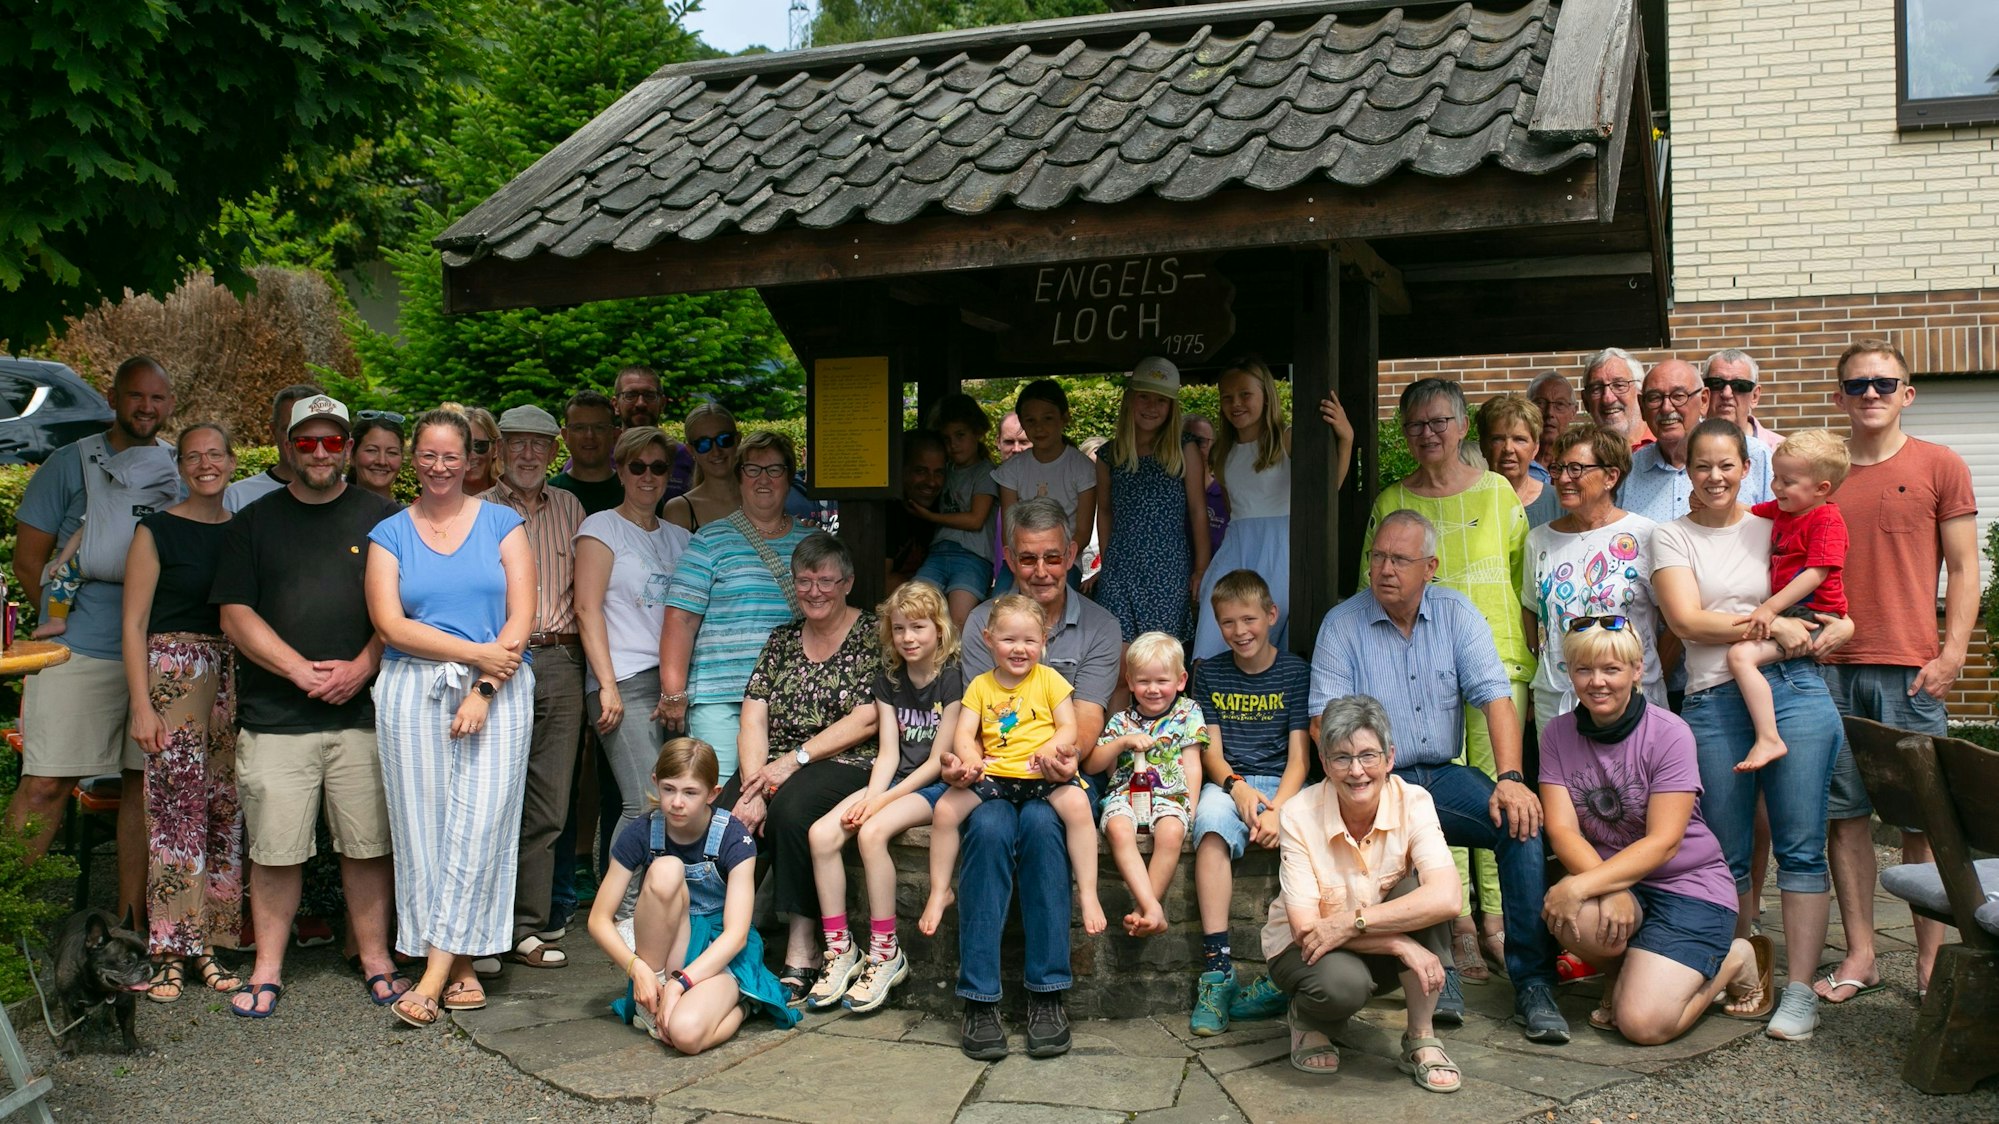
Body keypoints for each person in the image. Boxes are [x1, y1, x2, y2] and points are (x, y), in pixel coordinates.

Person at [1310, 509, 1568, 1042]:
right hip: (1376, 782)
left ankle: (1533, 982)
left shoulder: (1457, 614)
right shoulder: (1343, 623)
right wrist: (1364, 780)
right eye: (1378, 557)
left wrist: (1513, 777)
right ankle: (1439, 973)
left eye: (1399, 560)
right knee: (1406, 841)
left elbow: (1495, 696)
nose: (1384, 569)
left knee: (1520, 824)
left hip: (1442, 776)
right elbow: (1323, 721)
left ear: (1430, 566)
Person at [1651, 417, 1852, 1043]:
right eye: (1702, 465)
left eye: (1726, 465)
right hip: (1714, 700)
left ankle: (1798, 992)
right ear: (1687, 470)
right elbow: (1687, 622)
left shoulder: (1778, 524)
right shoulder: (1670, 535)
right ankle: (1740, 969)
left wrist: (1824, 630)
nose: (1714, 476)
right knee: (1725, 852)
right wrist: (1776, 627)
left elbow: (1831, 600)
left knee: (1798, 844)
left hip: (1792, 691)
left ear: (1746, 468)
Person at [211, 392, 403, 1017]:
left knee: (368, 845)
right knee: (274, 850)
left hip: (362, 713)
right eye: (306, 442)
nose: (320, 452)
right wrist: (298, 671)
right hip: (276, 718)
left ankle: (376, 958)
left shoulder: (385, 518)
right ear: (286, 448)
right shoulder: (253, 523)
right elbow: (235, 615)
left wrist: (362, 667)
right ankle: (267, 970)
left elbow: (405, 608)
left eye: (331, 441)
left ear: (348, 447)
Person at [1817, 339, 1978, 1005]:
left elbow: (1965, 568)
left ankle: (1929, 957)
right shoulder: (1822, 473)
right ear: (1839, 399)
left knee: (1922, 821)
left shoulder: (1940, 465)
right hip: (1828, 670)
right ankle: (1860, 953)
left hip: (1911, 669)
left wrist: (1952, 653)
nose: (1871, 395)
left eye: (1884, 384)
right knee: (1843, 815)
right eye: (1857, 386)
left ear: (1906, 393)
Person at [367, 408, 535, 1028]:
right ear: (415, 459)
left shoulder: (501, 522)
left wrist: (483, 685)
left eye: (452, 457)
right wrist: (472, 652)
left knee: (483, 825)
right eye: (429, 456)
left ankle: (432, 975)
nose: (440, 467)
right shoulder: (390, 533)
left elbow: (520, 615)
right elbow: (391, 625)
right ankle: (459, 965)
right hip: (412, 688)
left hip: (501, 686)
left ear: (472, 462)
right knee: (425, 830)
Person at [1364, 378, 1532, 987]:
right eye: (1415, 425)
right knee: (1435, 801)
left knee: (1497, 795)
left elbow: (1523, 579)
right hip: (1419, 666)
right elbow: (1371, 581)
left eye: (1440, 422)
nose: (1428, 434)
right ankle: (1458, 923)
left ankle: (1499, 921)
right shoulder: (1391, 500)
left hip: (1498, 662)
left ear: (1463, 427)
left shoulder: (1498, 493)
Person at [1537, 619, 1775, 1043]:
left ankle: (1735, 959)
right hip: (1617, 882)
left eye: (1611, 669)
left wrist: (1588, 885)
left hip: (1688, 886)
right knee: (1566, 910)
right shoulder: (1557, 734)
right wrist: (1609, 890)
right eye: (1583, 670)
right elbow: (1562, 830)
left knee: (1644, 1026)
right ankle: (1625, 972)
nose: (1597, 682)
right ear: (1568, 673)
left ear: (1635, 669)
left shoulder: (1669, 733)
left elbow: (1664, 842)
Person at [948, 496, 1122, 1060]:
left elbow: (1088, 721)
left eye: (1053, 557)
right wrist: (967, 763)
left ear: (1072, 553)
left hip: (1058, 773)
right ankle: (979, 998)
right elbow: (975, 714)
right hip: (995, 775)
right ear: (1008, 556)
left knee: (1046, 828)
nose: (1041, 571)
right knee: (992, 828)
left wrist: (1059, 755)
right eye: (1027, 559)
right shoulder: (982, 622)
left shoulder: (1099, 625)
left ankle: (1048, 992)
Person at [9, 356, 179, 924]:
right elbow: (30, 561)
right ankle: (8, 923)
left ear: (170, 404)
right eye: (135, 396)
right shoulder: (68, 464)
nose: (146, 408)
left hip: (156, 659)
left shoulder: (180, 471)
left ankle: (130, 927)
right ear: (113, 397)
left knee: (143, 795)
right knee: (45, 787)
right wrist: (62, 618)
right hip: (75, 652)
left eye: (157, 398)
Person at [1265, 694, 1463, 1091]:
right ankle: (1307, 1019)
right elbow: (1307, 929)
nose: (1357, 771)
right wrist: (1400, 945)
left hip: (1350, 933)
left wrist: (1357, 922)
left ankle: (1421, 1037)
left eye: (1368, 756)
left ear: (1390, 758)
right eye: (1341, 758)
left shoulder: (1415, 801)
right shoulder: (1298, 814)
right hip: (1306, 951)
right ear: (1324, 763)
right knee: (1344, 986)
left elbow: (1448, 897)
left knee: (1420, 890)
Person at [726, 532, 882, 1005]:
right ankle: (721, 934)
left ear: (848, 582)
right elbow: (754, 711)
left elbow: (869, 715)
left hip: (847, 761)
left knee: (793, 811)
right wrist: (753, 786)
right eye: (805, 580)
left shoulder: (873, 634)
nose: (815, 591)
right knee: (721, 815)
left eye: (826, 580)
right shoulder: (782, 640)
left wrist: (792, 763)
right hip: (776, 763)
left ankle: (803, 944)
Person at [119, 422, 242, 1002]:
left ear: (233, 461)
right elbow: (133, 624)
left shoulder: (245, 532)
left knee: (223, 810)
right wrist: (142, 705)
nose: (204, 464)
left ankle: (211, 946)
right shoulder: (157, 531)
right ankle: (170, 951)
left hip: (233, 676)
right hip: (173, 674)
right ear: (180, 467)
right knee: (174, 815)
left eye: (214, 454)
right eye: (192, 456)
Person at [802, 581, 962, 1012]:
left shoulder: (952, 679)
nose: (908, 638)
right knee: (821, 835)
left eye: (919, 628)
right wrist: (872, 796)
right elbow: (889, 753)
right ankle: (840, 949)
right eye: (899, 629)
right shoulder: (888, 681)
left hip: (934, 784)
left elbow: (936, 761)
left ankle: (886, 951)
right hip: (892, 781)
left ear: (939, 630)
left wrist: (879, 805)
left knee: (871, 835)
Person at [587, 738, 799, 1054]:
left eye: (690, 793)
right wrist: (638, 969)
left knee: (684, 1035)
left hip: (718, 952)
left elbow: (736, 935)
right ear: (656, 783)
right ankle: (654, 992)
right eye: (669, 789)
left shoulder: (733, 837)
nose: (676, 802)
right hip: (670, 943)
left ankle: (745, 1004)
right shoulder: (643, 830)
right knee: (666, 868)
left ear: (712, 794)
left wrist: (682, 984)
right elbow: (598, 919)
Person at [478, 404, 587, 972]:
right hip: (499, 661)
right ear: (499, 451)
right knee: (494, 796)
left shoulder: (570, 507)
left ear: (554, 452)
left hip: (562, 660)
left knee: (549, 802)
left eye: (538, 445)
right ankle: (485, 930)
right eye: (516, 443)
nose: (527, 454)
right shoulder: (478, 511)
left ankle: (527, 927)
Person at [925, 594, 1099, 936]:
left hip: (1042, 773)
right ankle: (939, 890)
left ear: (1044, 642)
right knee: (945, 810)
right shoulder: (980, 686)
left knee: (1079, 806)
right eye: (1008, 640)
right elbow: (964, 733)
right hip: (998, 773)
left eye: (1030, 641)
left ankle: (1089, 893)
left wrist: (1050, 750)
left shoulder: (1050, 681)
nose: (1019, 649)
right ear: (988, 640)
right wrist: (972, 760)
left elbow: (1068, 726)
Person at [1186, 570, 1311, 1035]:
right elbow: (1210, 751)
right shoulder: (1212, 672)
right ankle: (1218, 972)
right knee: (1212, 826)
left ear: (1271, 615)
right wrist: (1236, 786)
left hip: (1283, 784)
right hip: (1229, 782)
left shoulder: (1295, 671)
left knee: (1306, 836)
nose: (1240, 631)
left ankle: (1285, 972)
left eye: (1249, 619)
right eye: (1227, 623)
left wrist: (1278, 808)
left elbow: (1300, 757)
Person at [657, 431, 810, 783]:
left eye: (774, 470)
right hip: (720, 698)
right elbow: (680, 619)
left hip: (790, 698)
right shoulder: (710, 540)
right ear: (739, 476)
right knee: (718, 795)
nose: (763, 479)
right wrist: (674, 692)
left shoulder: (812, 542)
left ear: (789, 477)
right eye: (753, 469)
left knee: (782, 800)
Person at [576, 426, 692, 848]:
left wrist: (678, 688)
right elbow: (586, 609)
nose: (648, 476)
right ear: (620, 470)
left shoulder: (681, 538)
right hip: (623, 678)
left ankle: (663, 903)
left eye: (658, 467)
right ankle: (621, 910)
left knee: (681, 802)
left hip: (674, 684)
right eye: (637, 466)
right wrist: (606, 686)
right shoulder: (601, 527)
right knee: (644, 802)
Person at [1193, 359, 1354, 659]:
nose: (1235, 404)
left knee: (1268, 626)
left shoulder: (1287, 439)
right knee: (1217, 620)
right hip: (1238, 547)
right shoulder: (1222, 451)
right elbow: (1233, 507)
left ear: (1266, 395)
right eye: (1227, 397)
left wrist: (1346, 439)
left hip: (1281, 548)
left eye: (1245, 394)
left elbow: (1326, 490)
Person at [1522, 422, 1666, 722]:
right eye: (1558, 468)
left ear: (1611, 476)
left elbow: (1673, 621)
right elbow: (1532, 612)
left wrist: (1644, 669)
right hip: (1559, 702)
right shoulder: (1539, 540)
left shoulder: (1645, 535)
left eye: (1576, 469)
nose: (1563, 478)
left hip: (1633, 699)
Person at [1727, 429, 1850, 773]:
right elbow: (1748, 510)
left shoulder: (1826, 520)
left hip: (1816, 615)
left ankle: (1769, 737)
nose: (1776, 487)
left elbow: (1816, 574)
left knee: (1740, 656)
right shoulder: (1786, 510)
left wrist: (1769, 608)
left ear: (1822, 489)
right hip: (1796, 612)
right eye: (1776, 478)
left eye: (1787, 481)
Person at [1090, 358, 1211, 644]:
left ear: (1172, 407)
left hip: (1168, 569)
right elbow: (1105, 511)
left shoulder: (1184, 449)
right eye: (1143, 397)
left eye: (1161, 400)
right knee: (1119, 657)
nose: (1151, 406)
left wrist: (1201, 569)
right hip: (1121, 568)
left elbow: (1197, 511)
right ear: (1129, 400)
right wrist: (1108, 565)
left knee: (1161, 659)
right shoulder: (1111, 454)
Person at [1096, 632, 1206, 936]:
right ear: (1130, 682)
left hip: (1171, 796)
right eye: (1144, 682)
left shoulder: (1188, 713)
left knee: (1171, 832)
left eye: (1162, 681)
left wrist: (1191, 810)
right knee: (1118, 829)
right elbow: (1094, 763)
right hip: (1125, 794)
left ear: (1181, 680)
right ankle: (1153, 909)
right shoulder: (1121, 720)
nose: (1153, 689)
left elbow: (1192, 764)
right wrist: (1122, 743)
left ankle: (1144, 908)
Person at [1620, 358, 1774, 525]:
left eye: (1679, 396)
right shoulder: (1629, 470)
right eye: (1655, 398)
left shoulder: (1755, 455)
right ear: (1642, 407)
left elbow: (1786, 526)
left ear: (1704, 400)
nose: (1666, 408)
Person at [994, 380, 1097, 585]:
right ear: (1022, 423)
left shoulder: (1082, 467)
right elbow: (1009, 530)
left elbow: (1083, 533)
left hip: (1066, 562)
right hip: (1021, 560)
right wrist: (1025, 562)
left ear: (1064, 418)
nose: (1039, 427)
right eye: (1030, 421)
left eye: (1048, 418)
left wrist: (1056, 560)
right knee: (1002, 607)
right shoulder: (1012, 469)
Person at [909, 393, 998, 627]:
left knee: (959, 619)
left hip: (973, 558)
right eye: (946, 439)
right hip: (938, 553)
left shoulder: (985, 472)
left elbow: (976, 519)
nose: (953, 444)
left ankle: (957, 665)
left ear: (977, 433)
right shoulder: (945, 469)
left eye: (960, 435)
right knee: (913, 609)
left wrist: (930, 516)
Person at [224, 383, 323, 512]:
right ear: (273, 430)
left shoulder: (345, 490)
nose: (298, 439)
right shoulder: (238, 496)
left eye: (308, 431)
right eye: (288, 430)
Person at [613, 365, 695, 499]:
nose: (640, 403)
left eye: (649, 395)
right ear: (615, 404)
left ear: (662, 403)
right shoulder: (600, 458)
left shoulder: (683, 457)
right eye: (630, 395)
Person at [1478, 392, 1559, 526]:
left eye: (1519, 439)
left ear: (1535, 448)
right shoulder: (1468, 501)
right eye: (1498, 439)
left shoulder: (1557, 502)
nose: (1508, 448)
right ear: (1483, 446)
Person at [662, 401, 741, 532]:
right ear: (690, 450)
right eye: (703, 444)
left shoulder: (761, 497)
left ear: (738, 440)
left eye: (724, 439)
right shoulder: (679, 510)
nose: (716, 451)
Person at [886, 429, 946, 592]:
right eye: (921, 471)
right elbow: (880, 581)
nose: (932, 482)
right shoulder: (886, 514)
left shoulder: (947, 511)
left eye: (939, 473)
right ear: (900, 469)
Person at [550, 390, 624, 515]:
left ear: (615, 436)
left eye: (599, 428)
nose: (589, 436)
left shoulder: (636, 493)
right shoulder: (547, 494)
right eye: (579, 428)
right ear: (565, 436)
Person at [1704, 349, 1783, 450]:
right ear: (1704, 393)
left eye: (1739, 385)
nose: (1727, 394)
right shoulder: (1684, 449)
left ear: (1755, 396)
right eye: (1716, 383)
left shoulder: (1780, 452)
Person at [1581, 348, 1653, 449]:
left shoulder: (1668, 447)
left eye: (1619, 385)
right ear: (1585, 401)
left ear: (1641, 392)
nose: (1608, 399)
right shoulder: (1581, 458)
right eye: (1596, 389)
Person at [1183, 414, 1228, 552]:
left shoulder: (1226, 495)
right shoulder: (1167, 494)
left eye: (1200, 441)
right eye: (1185, 440)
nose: (1192, 447)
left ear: (1214, 445)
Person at [1527, 370, 1578, 481]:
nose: (1550, 413)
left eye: (1559, 404)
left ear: (1573, 412)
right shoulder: (1516, 463)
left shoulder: (1582, 464)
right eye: (1540, 403)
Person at [348, 412, 405, 501]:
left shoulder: (410, 514)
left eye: (392, 452)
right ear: (352, 455)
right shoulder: (331, 513)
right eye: (372, 450)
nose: (382, 461)